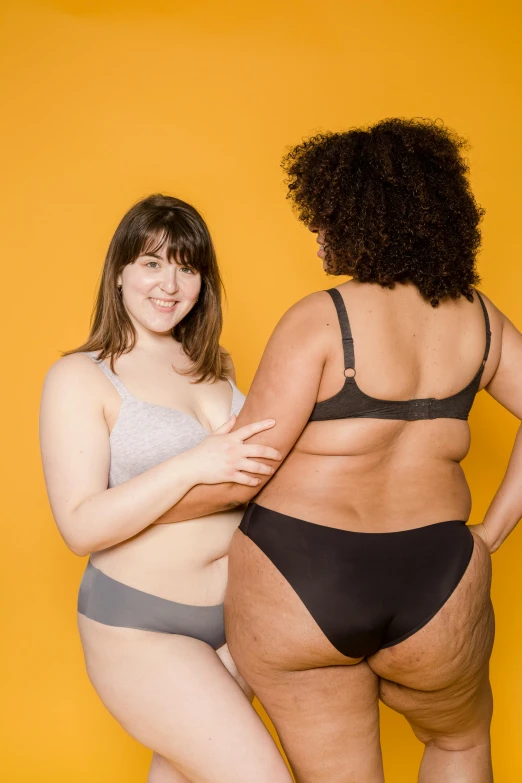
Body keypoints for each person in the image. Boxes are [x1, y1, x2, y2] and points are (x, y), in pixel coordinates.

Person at [158, 119, 522, 782]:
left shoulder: (320, 320)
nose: (318, 233)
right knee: (460, 744)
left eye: (325, 216)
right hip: (440, 581)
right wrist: (490, 535)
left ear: (362, 219)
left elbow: (243, 470)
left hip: (306, 577)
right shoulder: (480, 318)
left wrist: (133, 515)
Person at [39, 194, 293, 783]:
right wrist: (195, 463)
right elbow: (80, 526)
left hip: (243, 615)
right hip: (141, 623)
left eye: (187, 267)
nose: (170, 284)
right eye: (152, 263)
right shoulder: (82, 376)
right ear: (120, 272)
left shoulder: (216, 368)